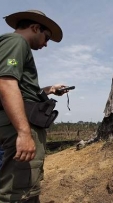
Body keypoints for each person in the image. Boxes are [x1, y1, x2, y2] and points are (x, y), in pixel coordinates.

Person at [0, 10, 69, 202]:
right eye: (46, 37)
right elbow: (6, 82)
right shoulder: (16, 42)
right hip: (17, 126)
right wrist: (23, 133)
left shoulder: (15, 46)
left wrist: (49, 90)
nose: (46, 44)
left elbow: (21, 89)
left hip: (13, 124)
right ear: (35, 28)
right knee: (18, 192)